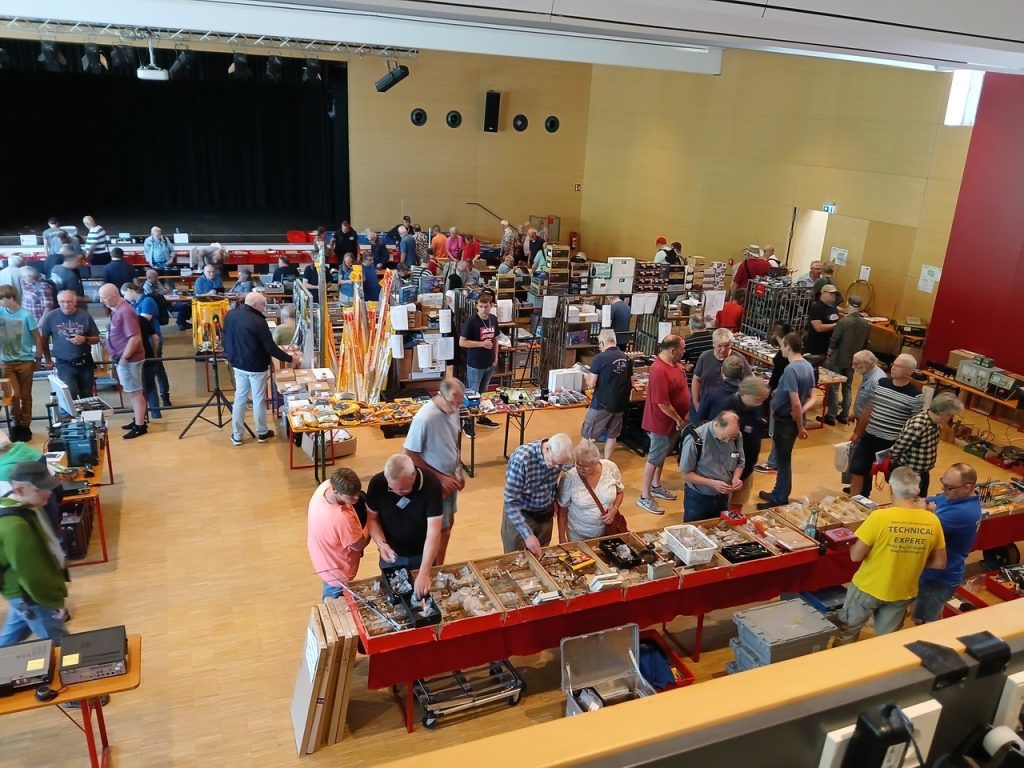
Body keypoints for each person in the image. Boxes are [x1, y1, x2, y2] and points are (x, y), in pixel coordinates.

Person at [834, 467, 946, 645]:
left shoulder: (879, 517)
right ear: (917, 491)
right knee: (887, 643)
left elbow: (856, 556)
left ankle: (839, 668)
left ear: (891, 489)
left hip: (868, 588)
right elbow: (940, 562)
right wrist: (911, 557)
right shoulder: (932, 520)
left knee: (847, 632)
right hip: (902, 591)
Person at [0, 461, 69, 647]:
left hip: (20, 594)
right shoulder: (16, 526)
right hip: (31, 596)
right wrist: (53, 601)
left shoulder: (22, 505)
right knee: (62, 646)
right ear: (20, 490)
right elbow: (32, 574)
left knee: (10, 637)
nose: (49, 493)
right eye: (42, 489)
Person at [222, 293, 300, 446]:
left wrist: (231, 357)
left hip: (238, 363)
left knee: (240, 398)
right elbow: (271, 348)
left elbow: (225, 337)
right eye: (264, 304)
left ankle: (237, 435)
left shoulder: (231, 315)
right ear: (255, 305)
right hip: (256, 366)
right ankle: (262, 432)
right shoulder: (259, 322)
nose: (265, 307)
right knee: (258, 399)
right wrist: (291, 359)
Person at [404, 377, 465, 565]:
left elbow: (453, 442)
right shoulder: (425, 418)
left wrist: (458, 469)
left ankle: (439, 565)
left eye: (460, 403)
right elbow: (409, 453)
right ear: (441, 395)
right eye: (454, 403)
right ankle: (434, 568)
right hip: (434, 482)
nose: (457, 408)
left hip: (449, 478)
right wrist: (440, 478)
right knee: (441, 529)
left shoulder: (452, 410)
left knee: (449, 525)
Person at [912, 463, 983, 624]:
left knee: (925, 622)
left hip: (939, 577)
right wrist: (929, 513)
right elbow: (924, 501)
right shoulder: (954, 495)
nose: (944, 490)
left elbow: (922, 529)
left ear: (967, 487)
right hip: (933, 572)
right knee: (922, 615)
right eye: (943, 484)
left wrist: (928, 514)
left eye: (949, 487)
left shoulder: (964, 513)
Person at [365, 454, 443, 599]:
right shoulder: (378, 483)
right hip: (392, 554)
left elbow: (434, 532)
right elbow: (372, 519)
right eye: (392, 488)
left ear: (412, 476)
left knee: (424, 599)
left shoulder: (431, 484)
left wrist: (424, 572)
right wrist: (382, 544)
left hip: (422, 554)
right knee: (394, 597)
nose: (396, 493)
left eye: (401, 490)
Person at [848, 353, 923, 498]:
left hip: (892, 444)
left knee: (893, 479)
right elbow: (870, 408)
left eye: (898, 366)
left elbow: (914, 423)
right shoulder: (882, 383)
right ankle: (856, 501)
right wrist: (858, 432)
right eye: (893, 364)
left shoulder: (915, 395)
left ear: (908, 371)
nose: (893, 367)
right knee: (857, 469)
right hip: (870, 436)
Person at [757, 332, 816, 509]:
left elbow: (795, 402)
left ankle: (779, 498)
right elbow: (813, 397)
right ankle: (777, 492)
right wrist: (801, 414)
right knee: (782, 459)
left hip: (786, 422)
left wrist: (799, 424)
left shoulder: (791, 369)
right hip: (791, 419)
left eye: (782, 346)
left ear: (788, 347)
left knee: (783, 462)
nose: (781, 349)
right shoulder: (807, 365)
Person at [637, 335, 690, 515]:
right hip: (663, 421)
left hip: (674, 421)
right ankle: (644, 496)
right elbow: (662, 403)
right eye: (682, 350)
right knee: (654, 458)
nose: (684, 353)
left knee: (662, 456)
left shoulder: (675, 365)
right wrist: (678, 419)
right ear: (673, 350)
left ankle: (656, 485)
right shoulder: (659, 370)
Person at [501, 433, 574, 556]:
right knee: (515, 559)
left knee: (540, 557)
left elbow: (553, 483)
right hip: (521, 517)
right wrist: (527, 535)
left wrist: (554, 498)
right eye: (555, 463)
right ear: (547, 449)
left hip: (545, 516)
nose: (557, 467)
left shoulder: (559, 457)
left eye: (560, 465)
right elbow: (510, 502)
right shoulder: (521, 460)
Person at [307, 467, 369, 600]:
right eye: (351, 495)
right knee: (334, 602)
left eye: (357, 492)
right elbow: (360, 545)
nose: (357, 497)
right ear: (336, 491)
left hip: (323, 556)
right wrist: (371, 520)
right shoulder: (341, 518)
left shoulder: (325, 486)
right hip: (336, 570)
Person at [888, 392, 964, 496]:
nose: (949, 419)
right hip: (909, 476)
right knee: (908, 503)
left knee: (921, 500)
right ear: (942, 416)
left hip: (923, 472)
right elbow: (897, 449)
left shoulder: (934, 423)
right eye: (950, 416)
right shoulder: (918, 426)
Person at [98, 283, 149, 439]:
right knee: (132, 391)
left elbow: (134, 338)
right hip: (123, 359)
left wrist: (124, 358)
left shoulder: (125, 311)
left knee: (135, 392)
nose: (101, 301)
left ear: (114, 296)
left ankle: (140, 425)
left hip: (129, 360)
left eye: (103, 297)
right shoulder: (117, 310)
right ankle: (138, 420)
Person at [680, 411, 745, 522]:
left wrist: (736, 478)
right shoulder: (695, 439)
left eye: (731, 438)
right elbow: (686, 474)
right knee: (695, 530)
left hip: (722, 496)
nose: (727, 441)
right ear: (716, 424)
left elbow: (740, 463)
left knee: (719, 528)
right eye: (724, 437)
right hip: (699, 498)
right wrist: (712, 483)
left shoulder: (736, 436)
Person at [556, 441, 625, 543]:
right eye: (578, 464)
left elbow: (620, 492)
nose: (581, 468)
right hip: (578, 535)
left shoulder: (610, 467)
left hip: (607, 532)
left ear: (596, 462)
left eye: (585, 466)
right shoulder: (569, 478)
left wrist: (614, 510)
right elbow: (562, 511)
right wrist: (562, 538)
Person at [0, 286, 44, 442]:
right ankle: (15, 421)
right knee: (13, 394)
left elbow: (37, 337)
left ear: (11, 298)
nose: (0, 301)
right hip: (6, 362)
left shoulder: (26, 315)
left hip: (25, 360)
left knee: (26, 395)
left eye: (2, 298)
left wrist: (39, 358)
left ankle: (25, 424)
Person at [39, 290, 100, 400]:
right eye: (62, 302)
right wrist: (47, 359)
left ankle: (86, 416)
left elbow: (96, 339)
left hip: (85, 361)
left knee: (87, 395)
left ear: (75, 302)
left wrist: (85, 339)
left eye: (69, 302)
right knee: (69, 393)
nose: (66, 305)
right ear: (58, 302)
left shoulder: (85, 316)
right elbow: (44, 340)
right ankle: (72, 416)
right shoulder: (50, 317)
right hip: (64, 363)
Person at [123, 282, 172, 417]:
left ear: (129, 290)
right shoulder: (135, 303)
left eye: (125, 294)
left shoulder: (147, 301)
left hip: (152, 342)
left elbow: (142, 321)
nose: (125, 298)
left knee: (158, 371)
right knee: (150, 377)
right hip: (144, 343)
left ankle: (165, 395)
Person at [581, 330, 631, 459]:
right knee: (612, 435)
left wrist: (586, 376)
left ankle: (582, 462)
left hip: (601, 403)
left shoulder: (599, 358)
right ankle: (607, 462)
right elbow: (630, 381)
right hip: (619, 403)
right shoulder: (625, 358)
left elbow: (591, 384)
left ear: (602, 343)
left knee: (588, 435)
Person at [723, 376, 770, 509]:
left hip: (748, 467)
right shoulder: (727, 407)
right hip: (729, 469)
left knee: (738, 504)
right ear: (746, 393)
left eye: (762, 399)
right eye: (758, 399)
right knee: (723, 506)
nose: (760, 403)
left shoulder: (755, 407)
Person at [824, 294, 870, 425]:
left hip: (838, 358)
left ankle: (831, 416)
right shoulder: (865, 323)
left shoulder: (843, 321)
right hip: (853, 361)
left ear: (848, 305)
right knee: (848, 387)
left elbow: (834, 340)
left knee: (834, 387)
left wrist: (828, 354)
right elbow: (866, 343)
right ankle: (844, 416)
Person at [754, 322, 793, 474]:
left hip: (778, 394)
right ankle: (774, 461)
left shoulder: (787, 355)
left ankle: (772, 463)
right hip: (776, 391)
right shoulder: (788, 353)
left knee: (776, 430)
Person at [459, 291, 500, 431]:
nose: (483, 309)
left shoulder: (493, 319)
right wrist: (481, 344)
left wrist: (495, 357)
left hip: (489, 364)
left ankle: (481, 417)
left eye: (486, 306)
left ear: (491, 306)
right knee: (472, 395)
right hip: (475, 364)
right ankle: (468, 423)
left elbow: (495, 339)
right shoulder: (471, 321)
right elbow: (462, 343)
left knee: (483, 394)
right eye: (481, 306)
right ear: (477, 306)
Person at [691, 328, 752, 416]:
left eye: (727, 345)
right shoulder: (704, 356)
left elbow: (749, 384)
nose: (723, 349)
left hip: (730, 411)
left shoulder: (739, 359)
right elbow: (696, 379)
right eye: (719, 346)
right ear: (713, 344)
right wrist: (696, 403)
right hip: (706, 405)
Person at [696, 354, 745, 422]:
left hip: (715, 430)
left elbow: (700, 418)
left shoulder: (711, 392)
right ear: (742, 372)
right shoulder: (747, 393)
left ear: (722, 370)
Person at [805, 283, 840, 360]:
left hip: (828, 346)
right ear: (823, 293)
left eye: (835, 293)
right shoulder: (816, 307)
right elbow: (818, 327)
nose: (833, 295)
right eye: (831, 293)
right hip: (816, 347)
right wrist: (836, 325)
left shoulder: (833, 307)